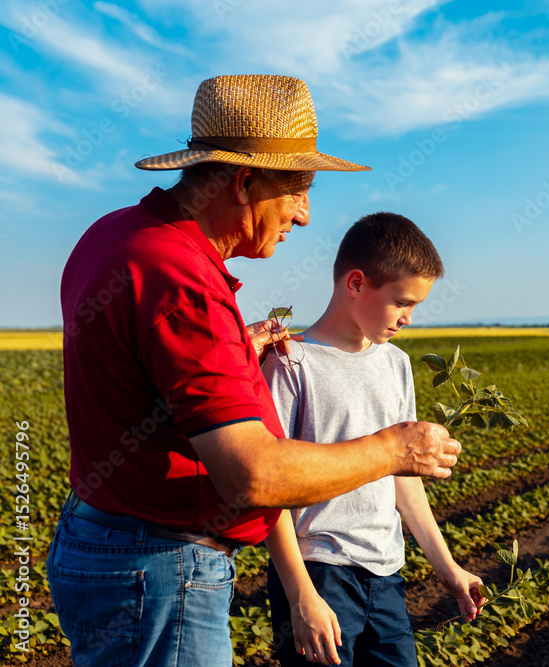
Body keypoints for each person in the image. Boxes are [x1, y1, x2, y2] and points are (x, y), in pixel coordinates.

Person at [48, 75, 461, 667]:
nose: (306, 215)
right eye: (298, 190)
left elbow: (144, 366)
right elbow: (253, 477)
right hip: (159, 568)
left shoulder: (116, 236)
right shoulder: (180, 278)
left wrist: (231, 348)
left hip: (108, 541)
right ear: (244, 182)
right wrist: (395, 449)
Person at [263, 213, 486, 666]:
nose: (407, 318)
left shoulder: (396, 364)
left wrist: (448, 569)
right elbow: (269, 488)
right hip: (318, 573)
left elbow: (403, 477)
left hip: (387, 574)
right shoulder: (292, 363)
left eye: (416, 306)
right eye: (401, 301)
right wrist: (300, 595)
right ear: (357, 283)